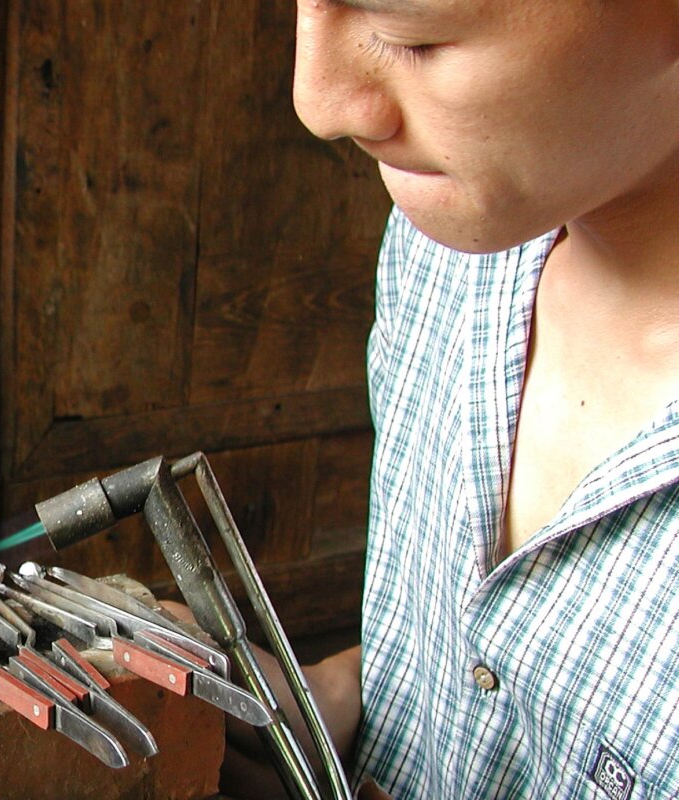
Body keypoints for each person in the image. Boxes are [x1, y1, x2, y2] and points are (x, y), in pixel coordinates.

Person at [220, 1, 679, 797]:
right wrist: (327, 700)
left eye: (413, 37)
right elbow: (503, 674)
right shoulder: (452, 249)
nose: (317, 102)